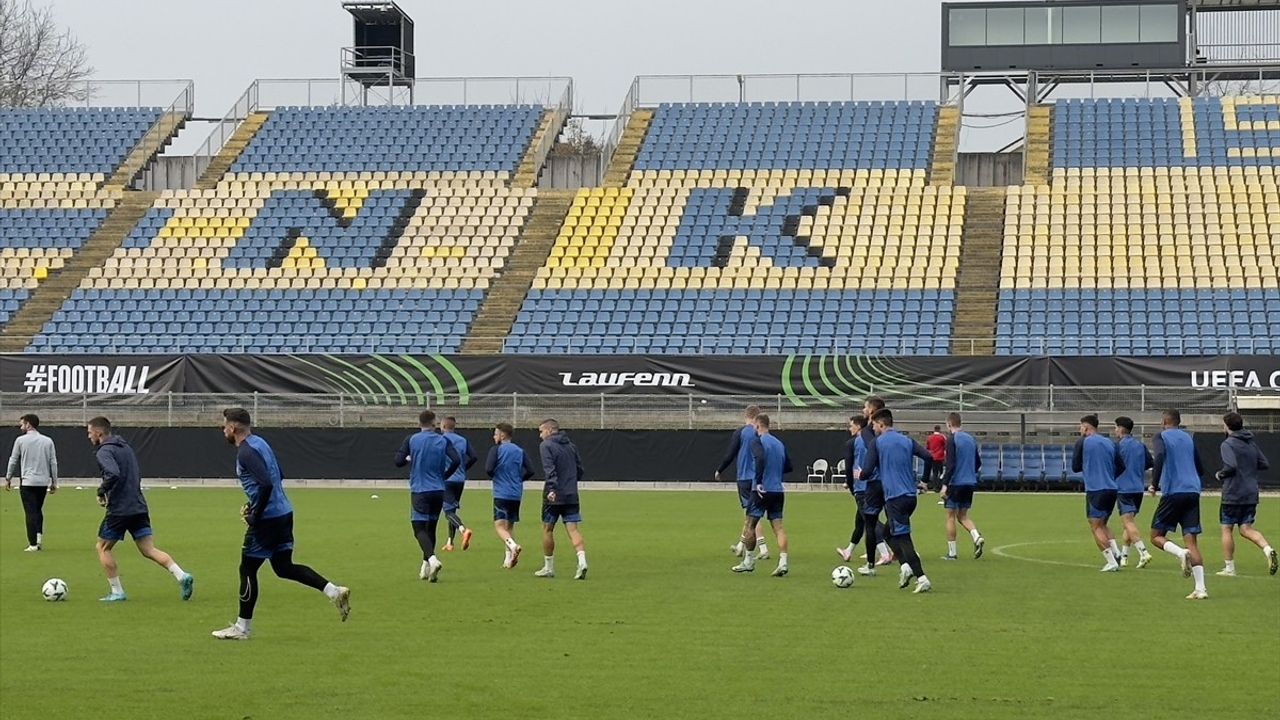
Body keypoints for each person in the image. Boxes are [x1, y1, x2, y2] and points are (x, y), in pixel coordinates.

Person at [212, 408, 350, 640]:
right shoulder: (261, 443)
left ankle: (242, 628)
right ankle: (334, 591)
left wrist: (255, 513)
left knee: (247, 569)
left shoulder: (245, 452)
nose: (223, 429)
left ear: (233, 428)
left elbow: (265, 484)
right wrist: (254, 502)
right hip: (284, 512)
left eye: (225, 425)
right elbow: (278, 475)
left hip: (268, 519)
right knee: (283, 567)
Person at [87, 417, 193, 603]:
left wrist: (102, 491)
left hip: (120, 509)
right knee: (148, 549)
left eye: (89, 432)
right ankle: (182, 575)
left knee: (102, 547)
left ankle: (117, 592)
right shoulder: (126, 448)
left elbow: (113, 473)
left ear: (99, 432)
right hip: (138, 505)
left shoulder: (104, 451)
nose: (89, 436)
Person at [859, 408, 934, 593]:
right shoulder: (906, 440)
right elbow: (928, 456)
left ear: (882, 424)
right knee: (888, 533)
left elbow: (867, 471)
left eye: (875, 424)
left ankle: (921, 577)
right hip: (910, 497)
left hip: (895, 498)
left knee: (904, 538)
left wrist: (859, 474)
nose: (874, 428)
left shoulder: (877, 442)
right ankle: (905, 567)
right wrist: (924, 481)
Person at [1149, 409, 1209, 600]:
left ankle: (1180, 553)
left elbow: (1158, 457)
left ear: (1164, 421)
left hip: (1174, 490)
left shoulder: (1161, 436)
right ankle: (1201, 588)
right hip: (1192, 490)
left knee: (1156, 536)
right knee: (1191, 540)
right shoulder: (1188, 437)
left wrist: (1154, 484)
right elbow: (1200, 466)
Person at [394, 410, 461, 582]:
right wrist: (445, 475)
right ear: (433, 423)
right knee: (431, 528)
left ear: (419, 423)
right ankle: (426, 568)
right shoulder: (443, 440)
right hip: (438, 490)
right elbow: (456, 460)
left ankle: (432, 559)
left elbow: (398, 461)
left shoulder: (412, 439)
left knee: (419, 529)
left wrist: (410, 458)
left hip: (420, 490)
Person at [1214, 412, 1277, 577]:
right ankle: (1267, 549)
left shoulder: (1228, 444)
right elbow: (1264, 463)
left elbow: (1231, 466)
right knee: (1246, 528)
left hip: (1233, 492)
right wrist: (1248, 468)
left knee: (1227, 528)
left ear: (1227, 426)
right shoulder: (1250, 442)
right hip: (1250, 492)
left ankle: (1229, 568)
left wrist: (1220, 474)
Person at [732, 414, 791, 576]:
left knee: (750, 524)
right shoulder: (779, 443)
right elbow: (789, 466)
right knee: (778, 527)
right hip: (777, 490)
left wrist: (758, 481)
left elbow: (759, 458)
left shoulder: (757, 441)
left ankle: (748, 561)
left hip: (760, 490)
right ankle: (783, 562)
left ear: (758, 426)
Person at [715, 405, 768, 561]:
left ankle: (763, 547)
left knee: (752, 515)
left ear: (747, 416)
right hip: (759, 478)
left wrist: (720, 470)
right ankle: (741, 545)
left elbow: (730, 454)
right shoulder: (761, 433)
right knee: (750, 514)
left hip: (745, 478)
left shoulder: (741, 432)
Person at [537, 419, 588, 580]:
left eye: (541, 431)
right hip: (571, 494)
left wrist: (552, 488)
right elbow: (580, 469)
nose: (540, 435)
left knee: (547, 529)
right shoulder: (571, 446)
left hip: (554, 495)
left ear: (550, 430)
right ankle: (582, 561)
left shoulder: (546, 446)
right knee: (573, 529)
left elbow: (549, 470)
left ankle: (548, 567)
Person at [1072, 414, 1123, 572]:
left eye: (1081, 427)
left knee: (1095, 526)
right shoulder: (1110, 442)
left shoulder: (1083, 441)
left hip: (1095, 489)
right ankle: (1117, 553)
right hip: (1112, 488)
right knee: (1103, 523)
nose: (1080, 430)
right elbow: (1121, 466)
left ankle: (1111, 561)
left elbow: (1075, 466)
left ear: (1086, 428)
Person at [486, 422, 536, 569]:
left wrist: (496, 476)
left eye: (495, 433)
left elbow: (488, 468)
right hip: (516, 493)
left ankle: (513, 546)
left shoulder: (496, 450)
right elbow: (531, 470)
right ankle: (508, 558)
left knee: (499, 526)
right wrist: (519, 479)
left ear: (502, 435)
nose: (494, 436)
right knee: (509, 526)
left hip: (502, 492)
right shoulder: (520, 450)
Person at [5, 413, 57, 551]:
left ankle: (33, 543)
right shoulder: (48, 441)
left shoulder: (20, 441)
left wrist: (8, 477)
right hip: (42, 481)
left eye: (22, 424)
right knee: (38, 509)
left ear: (28, 424)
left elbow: (13, 459)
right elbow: (53, 462)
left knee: (30, 512)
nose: (21, 426)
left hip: (28, 481)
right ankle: (39, 537)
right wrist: (54, 481)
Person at [939, 412, 985, 560]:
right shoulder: (970, 439)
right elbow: (978, 463)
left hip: (956, 483)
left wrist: (944, 485)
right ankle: (976, 536)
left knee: (950, 516)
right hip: (970, 482)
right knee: (963, 515)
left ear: (949, 424)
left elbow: (950, 464)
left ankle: (952, 553)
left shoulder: (952, 440)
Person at [856, 396, 893, 575]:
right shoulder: (890, 433)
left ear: (871, 411)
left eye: (865, 407)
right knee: (893, 519)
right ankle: (901, 549)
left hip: (873, 483)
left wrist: (863, 474)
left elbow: (874, 452)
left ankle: (873, 563)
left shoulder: (869, 434)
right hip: (889, 482)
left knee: (870, 522)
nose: (863, 410)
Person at [1113, 416, 1154, 568]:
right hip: (1138, 488)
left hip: (1124, 488)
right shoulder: (1140, 445)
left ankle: (1143, 552)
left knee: (1128, 522)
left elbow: (1114, 465)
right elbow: (1150, 462)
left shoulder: (1118, 446)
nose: (1115, 430)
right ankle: (1124, 557)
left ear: (1121, 429)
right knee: (1129, 524)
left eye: (1116, 427)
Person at [440, 416, 478, 552]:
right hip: (460, 480)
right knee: (453, 510)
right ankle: (450, 542)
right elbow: (474, 457)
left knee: (448, 511)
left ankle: (463, 529)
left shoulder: (441, 440)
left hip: (446, 479)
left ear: (443, 427)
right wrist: (464, 468)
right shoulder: (462, 440)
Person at [926, 425, 947, 495]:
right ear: (939, 430)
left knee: (934, 472)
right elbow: (946, 446)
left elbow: (928, 448)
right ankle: (940, 486)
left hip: (932, 457)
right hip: (940, 457)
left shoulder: (929, 438)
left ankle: (935, 487)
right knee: (941, 472)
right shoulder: (942, 437)